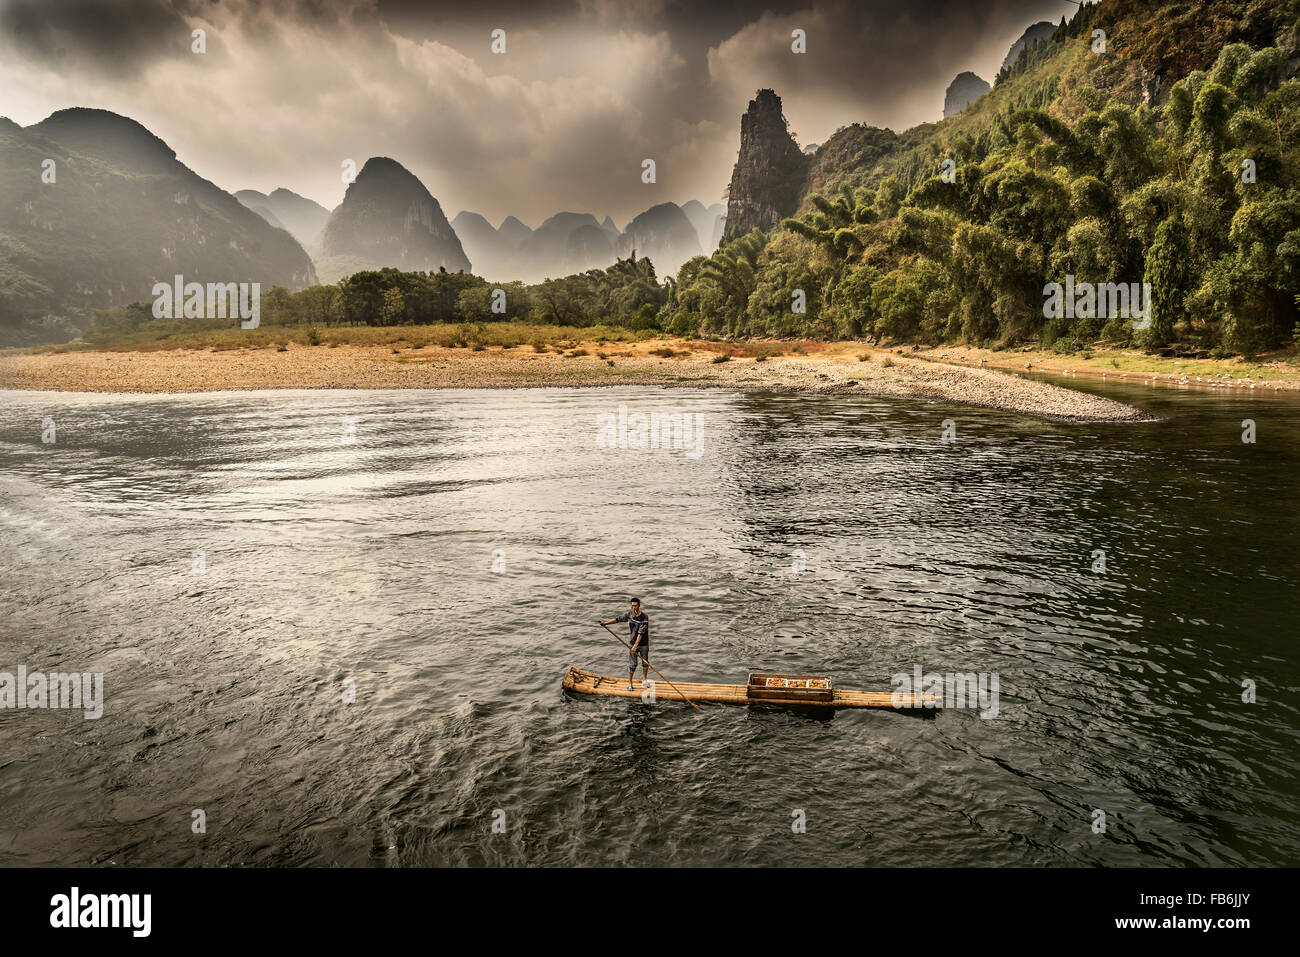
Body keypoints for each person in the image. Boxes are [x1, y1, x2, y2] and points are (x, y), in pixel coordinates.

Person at [600, 597, 650, 691]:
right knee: (632, 664)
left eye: (635, 606)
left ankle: (644, 681)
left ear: (639, 606)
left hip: (643, 644)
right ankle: (630, 683)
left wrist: (636, 646)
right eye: (632, 606)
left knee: (645, 662)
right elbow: (618, 619)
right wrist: (606, 623)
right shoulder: (629, 614)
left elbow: (641, 633)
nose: (633, 607)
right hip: (632, 643)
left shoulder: (644, 617)